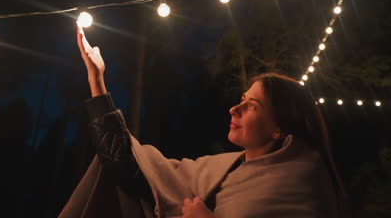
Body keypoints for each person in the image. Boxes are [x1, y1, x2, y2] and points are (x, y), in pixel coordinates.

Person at [59, 24, 349, 218]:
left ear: (279, 128)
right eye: (241, 99)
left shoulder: (304, 188)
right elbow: (128, 170)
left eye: (252, 106)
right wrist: (96, 80)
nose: (234, 109)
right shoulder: (221, 170)